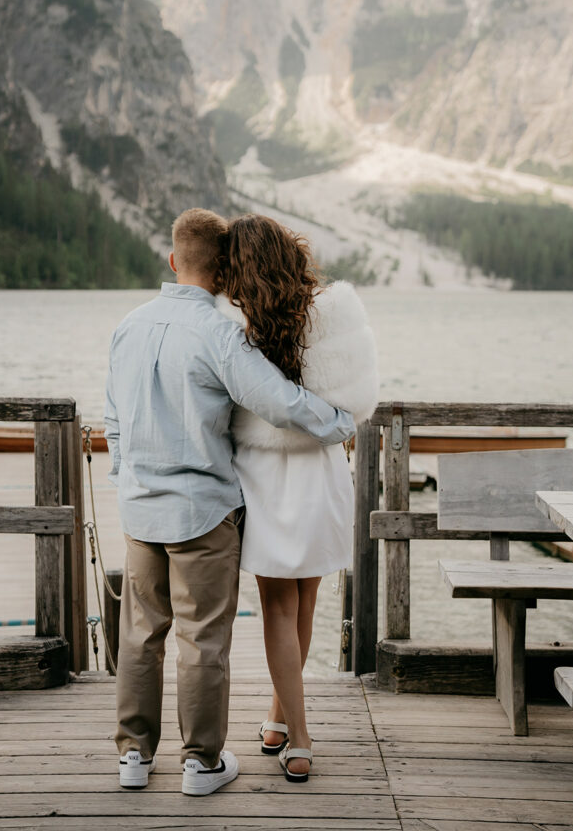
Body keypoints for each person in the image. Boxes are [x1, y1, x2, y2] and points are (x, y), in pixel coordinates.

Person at [104, 207, 356, 797]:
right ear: (222, 272)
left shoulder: (128, 325)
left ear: (173, 261)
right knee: (203, 639)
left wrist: (125, 476)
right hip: (202, 511)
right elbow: (279, 402)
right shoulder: (219, 333)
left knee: (140, 636)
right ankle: (201, 764)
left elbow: (113, 418)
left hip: (139, 508)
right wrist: (341, 420)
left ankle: (134, 758)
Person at [217, 213, 379, 783]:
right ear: (292, 253)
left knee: (279, 608)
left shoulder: (232, 323)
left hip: (264, 473)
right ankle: (280, 718)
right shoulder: (336, 314)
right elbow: (359, 402)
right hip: (321, 470)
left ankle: (298, 733)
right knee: (304, 602)